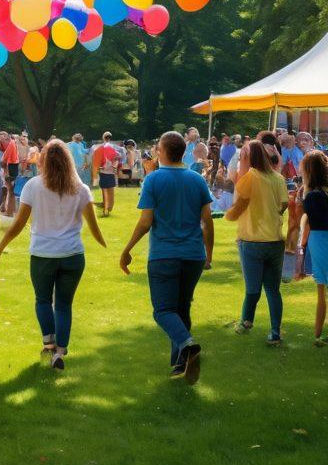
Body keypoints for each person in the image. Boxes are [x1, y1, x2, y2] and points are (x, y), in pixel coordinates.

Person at [0, 139, 106, 370]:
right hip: (73, 255)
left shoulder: (33, 186)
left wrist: (0, 247)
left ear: (43, 160)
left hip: (43, 254)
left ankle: (49, 343)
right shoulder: (80, 188)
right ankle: (60, 352)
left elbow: (18, 224)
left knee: (43, 300)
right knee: (64, 305)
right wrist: (101, 241)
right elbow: (94, 227)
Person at [119, 131, 214, 383]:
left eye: (157, 149)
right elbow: (207, 221)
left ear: (162, 152)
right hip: (193, 255)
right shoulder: (197, 180)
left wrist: (127, 249)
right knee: (181, 309)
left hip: (164, 255)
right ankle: (179, 364)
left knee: (162, 310)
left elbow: (145, 222)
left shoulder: (154, 180)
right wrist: (209, 253)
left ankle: (187, 344)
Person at [225, 139, 288, 344]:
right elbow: (283, 205)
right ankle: (275, 332)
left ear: (248, 157)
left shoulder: (250, 177)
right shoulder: (278, 178)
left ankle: (246, 321)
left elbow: (238, 206)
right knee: (272, 289)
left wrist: (227, 215)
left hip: (252, 240)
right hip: (275, 241)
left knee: (252, 288)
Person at [298, 150, 328, 346]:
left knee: (321, 289)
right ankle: (318, 334)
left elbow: (308, 223)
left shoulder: (311, 196)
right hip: (319, 238)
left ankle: (318, 334)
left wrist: (301, 246)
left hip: (319, 239)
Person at [94, 132, 120, 216]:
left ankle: (106, 210)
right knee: (111, 192)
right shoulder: (114, 147)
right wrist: (115, 165)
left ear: (103, 137)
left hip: (104, 172)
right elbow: (119, 157)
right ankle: (109, 208)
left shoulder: (101, 147)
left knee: (105, 192)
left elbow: (97, 161)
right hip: (111, 172)